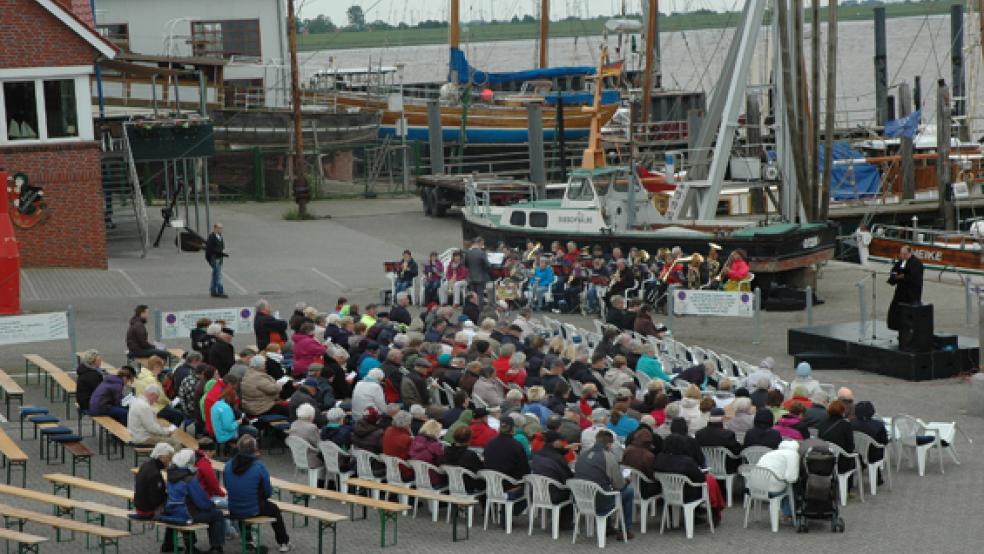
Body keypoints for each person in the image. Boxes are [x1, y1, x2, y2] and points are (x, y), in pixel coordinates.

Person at [224, 435, 292, 552]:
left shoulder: (228, 464)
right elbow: (267, 491)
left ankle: (248, 539)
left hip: (234, 508)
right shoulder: (258, 466)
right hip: (252, 508)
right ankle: (283, 542)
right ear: (255, 449)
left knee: (243, 500)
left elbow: (227, 486)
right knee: (274, 509)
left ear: (239, 448)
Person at [574, 430, 635, 540]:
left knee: (605, 488)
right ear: (609, 444)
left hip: (581, 500)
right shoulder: (608, 457)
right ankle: (626, 530)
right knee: (628, 492)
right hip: (600, 502)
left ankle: (608, 527)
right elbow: (619, 486)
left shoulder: (582, 455)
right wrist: (627, 480)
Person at [164, 449, 226, 553]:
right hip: (188, 514)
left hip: (174, 512)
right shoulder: (189, 479)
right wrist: (212, 505)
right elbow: (202, 502)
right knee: (218, 515)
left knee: (193, 512)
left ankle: (190, 547)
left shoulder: (171, 478)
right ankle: (216, 547)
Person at [483, 417, 530, 523]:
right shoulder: (517, 446)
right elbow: (525, 471)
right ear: (513, 429)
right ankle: (509, 509)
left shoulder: (490, 443)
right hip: (510, 486)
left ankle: (506, 508)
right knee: (532, 488)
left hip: (492, 485)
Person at [133, 443, 179, 551]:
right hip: (147, 510)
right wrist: (168, 496)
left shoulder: (145, 465)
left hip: (139, 505)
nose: (170, 461)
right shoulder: (155, 473)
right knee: (177, 510)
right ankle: (169, 545)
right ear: (162, 457)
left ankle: (169, 545)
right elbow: (156, 500)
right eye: (169, 458)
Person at [529, 430, 574, 526]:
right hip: (554, 495)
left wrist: (564, 450)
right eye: (560, 441)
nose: (562, 443)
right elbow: (567, 478)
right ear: (556, 442)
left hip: (537, 493)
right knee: (571, 490)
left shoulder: (537, 454)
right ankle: (565, 523)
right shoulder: (558, 458)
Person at [754, 440, 801, 518]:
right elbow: (791, 478)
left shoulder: (771, 453)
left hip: (755, 488)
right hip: (772, 489)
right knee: (790, 488)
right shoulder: (793, 454)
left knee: (783, 484)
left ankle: (787, 514)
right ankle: (789, 514)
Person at [133, 356, 185, 426]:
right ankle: (171, 432)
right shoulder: (151, 380)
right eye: (160, 369)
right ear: (156, 367)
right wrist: (169, 402)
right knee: (179, 415)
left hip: (145, 405)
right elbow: (160, 397)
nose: (160, 372)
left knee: (172, 412)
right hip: (154, 407)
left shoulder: (141, 375)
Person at [129, 384, 181, 450]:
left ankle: (164, 457)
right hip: (143, 439)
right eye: (156, 398)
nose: (155, 401)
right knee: (176, 442)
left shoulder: (137, 401)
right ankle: (169, 460)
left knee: (165, 436)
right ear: (152, 394)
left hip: (136, 435)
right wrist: (167, 431)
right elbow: (152, 428)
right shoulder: (144, 406)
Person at [886, 245, 924, 331]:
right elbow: (895, 270)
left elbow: (913, 276)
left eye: (905, 254)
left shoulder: (917, 263)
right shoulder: (901, 262)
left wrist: (902, 276)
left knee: (909, 315)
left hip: (911, 293)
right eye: (901, 254)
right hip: (901, 292)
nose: (902, 256)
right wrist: (894, 276)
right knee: (897, 312)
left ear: (910, 253)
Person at [695, 408, 742, 472]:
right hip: (726, 468)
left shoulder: (699, 434)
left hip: (707, 467)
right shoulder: (727, 434)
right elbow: (737, 451)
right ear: (723, 419)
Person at [817, 400, 856, 473]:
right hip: (841, 461)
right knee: (854, 458)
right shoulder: (846, 425)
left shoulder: (822, 423)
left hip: (825, 459)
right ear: (842, 411)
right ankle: (848, 484)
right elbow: (850, 447)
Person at [444, 426, 485, 493]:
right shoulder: (470, 455)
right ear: (469, 439)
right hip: (467, 487)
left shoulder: (446, 451)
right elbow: (480, 471)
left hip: (449, 484)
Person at [409, 419, 446, 487]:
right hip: (433, 480)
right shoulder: (435, 445)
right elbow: (442, 463)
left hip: (418, 477)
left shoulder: (415, 440)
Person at [852, 400, 889, 465]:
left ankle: (861, 465)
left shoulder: (851, 423)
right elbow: (885, 441)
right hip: (873, 455)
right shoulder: (878, 425)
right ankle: (876, 470)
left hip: (856, 452)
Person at [288, 404, 324, 470]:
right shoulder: (312, 427)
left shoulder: (293, 424)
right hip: (311, 461)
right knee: (327, 456)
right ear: (311, 415)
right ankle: (325, 479)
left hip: (297, 458)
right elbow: (319, 445)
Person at [383, 411, 414, 479]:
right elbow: (411, 456)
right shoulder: (406, 439)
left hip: (390, 469)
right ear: (407, 424)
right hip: (403, 472)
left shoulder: (388, 430)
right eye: (410, 423)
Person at [75, 349, 104, 414]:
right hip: (89, 405)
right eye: (99, 360)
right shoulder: (93, 375)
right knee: (121, 412)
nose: (101, 362)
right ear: (93, 361)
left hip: (83, 402)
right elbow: (100, 391)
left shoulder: (84, 370)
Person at [464, 238, 491, 304]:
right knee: (480, 295)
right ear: (479, 243)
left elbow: (465, 264)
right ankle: (480, 310)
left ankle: (473, 309)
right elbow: (488, 265)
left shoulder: (468, 252)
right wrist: (484, 269)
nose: (482, 245)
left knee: (472, 296)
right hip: (480, 277)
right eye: (482, 243)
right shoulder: (481, 253)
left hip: (470, 277)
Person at [205, 223, 228, 298]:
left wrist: (223, 253)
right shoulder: (212, 237)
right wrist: (209, 259)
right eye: (219, 228)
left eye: (222, 228)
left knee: (215, 275)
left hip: (219, 258)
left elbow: (222, 247)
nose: (221, 229)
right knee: (218, 275)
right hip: (215, 258)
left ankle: (213, 290)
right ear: (215, 228)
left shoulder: (220, 237)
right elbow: (209, 249)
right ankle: (220, 291)